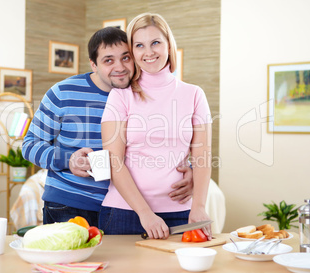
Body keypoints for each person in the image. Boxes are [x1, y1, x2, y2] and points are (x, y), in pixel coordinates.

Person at [22, 27, 194, 227]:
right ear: (94, 65)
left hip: (124, 207)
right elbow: (29, 145)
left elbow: (160, 144)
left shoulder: (144, 94)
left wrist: (188, 171)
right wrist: (68, 160)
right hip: (71, 203)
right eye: (108, 60)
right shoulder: (63, 93)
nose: (119, 67)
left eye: (126, 57)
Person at [99, 13, 213, 239]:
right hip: (125, 213)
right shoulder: (121, 96)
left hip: (181, 212)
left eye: (156, 43)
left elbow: (203, 156)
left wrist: (198, 205)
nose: (148, 52)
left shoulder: (194, 94)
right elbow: (114, 161)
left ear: (169, 45)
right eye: (139, 45)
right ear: (132, 52)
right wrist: (145, 213)